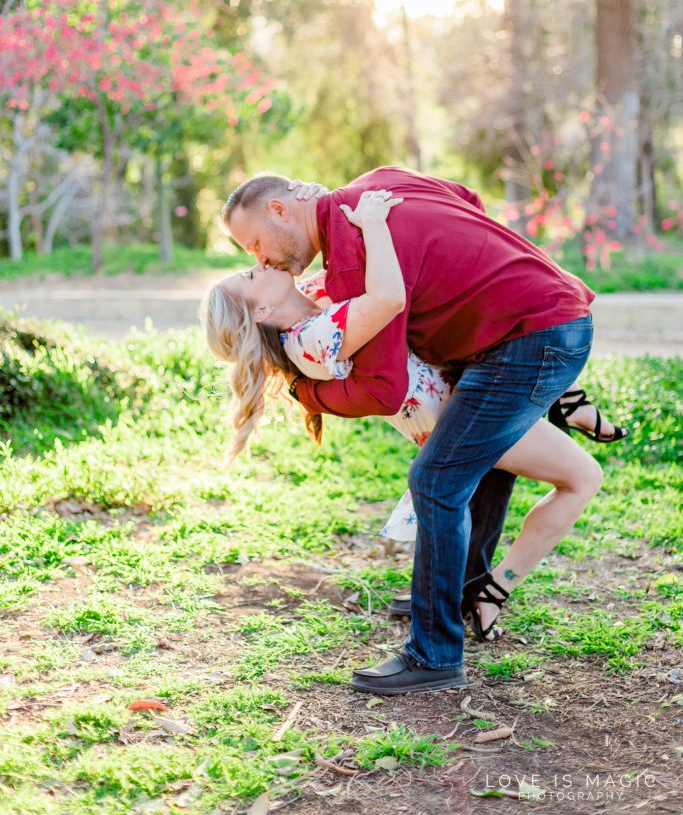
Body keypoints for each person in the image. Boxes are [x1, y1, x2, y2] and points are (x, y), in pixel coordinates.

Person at [206, 172, 618, 695]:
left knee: (437, 481)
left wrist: (309, 396)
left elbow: (381, 385)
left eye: (255, 244)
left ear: (282, 211)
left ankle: (435, 655)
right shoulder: (376, 185)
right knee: (472, 464)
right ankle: (463, 591)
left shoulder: (351, 252)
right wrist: (475, 279)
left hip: (528, 336)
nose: (260, 258)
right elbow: (466, 197)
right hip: (540, 316)